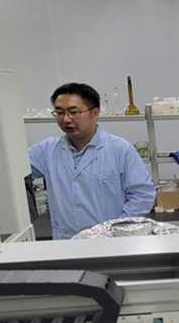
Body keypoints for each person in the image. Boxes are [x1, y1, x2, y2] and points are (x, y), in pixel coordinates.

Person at [29, 82, 155, 239]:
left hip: (111, 241)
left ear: (95, 113)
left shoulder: (120, 149)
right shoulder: (45, 150)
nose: (66, 119)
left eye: (74, 112)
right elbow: (12, 171)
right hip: (66, 241)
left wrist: (118, 229)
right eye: (60, 113)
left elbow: (142, 195)